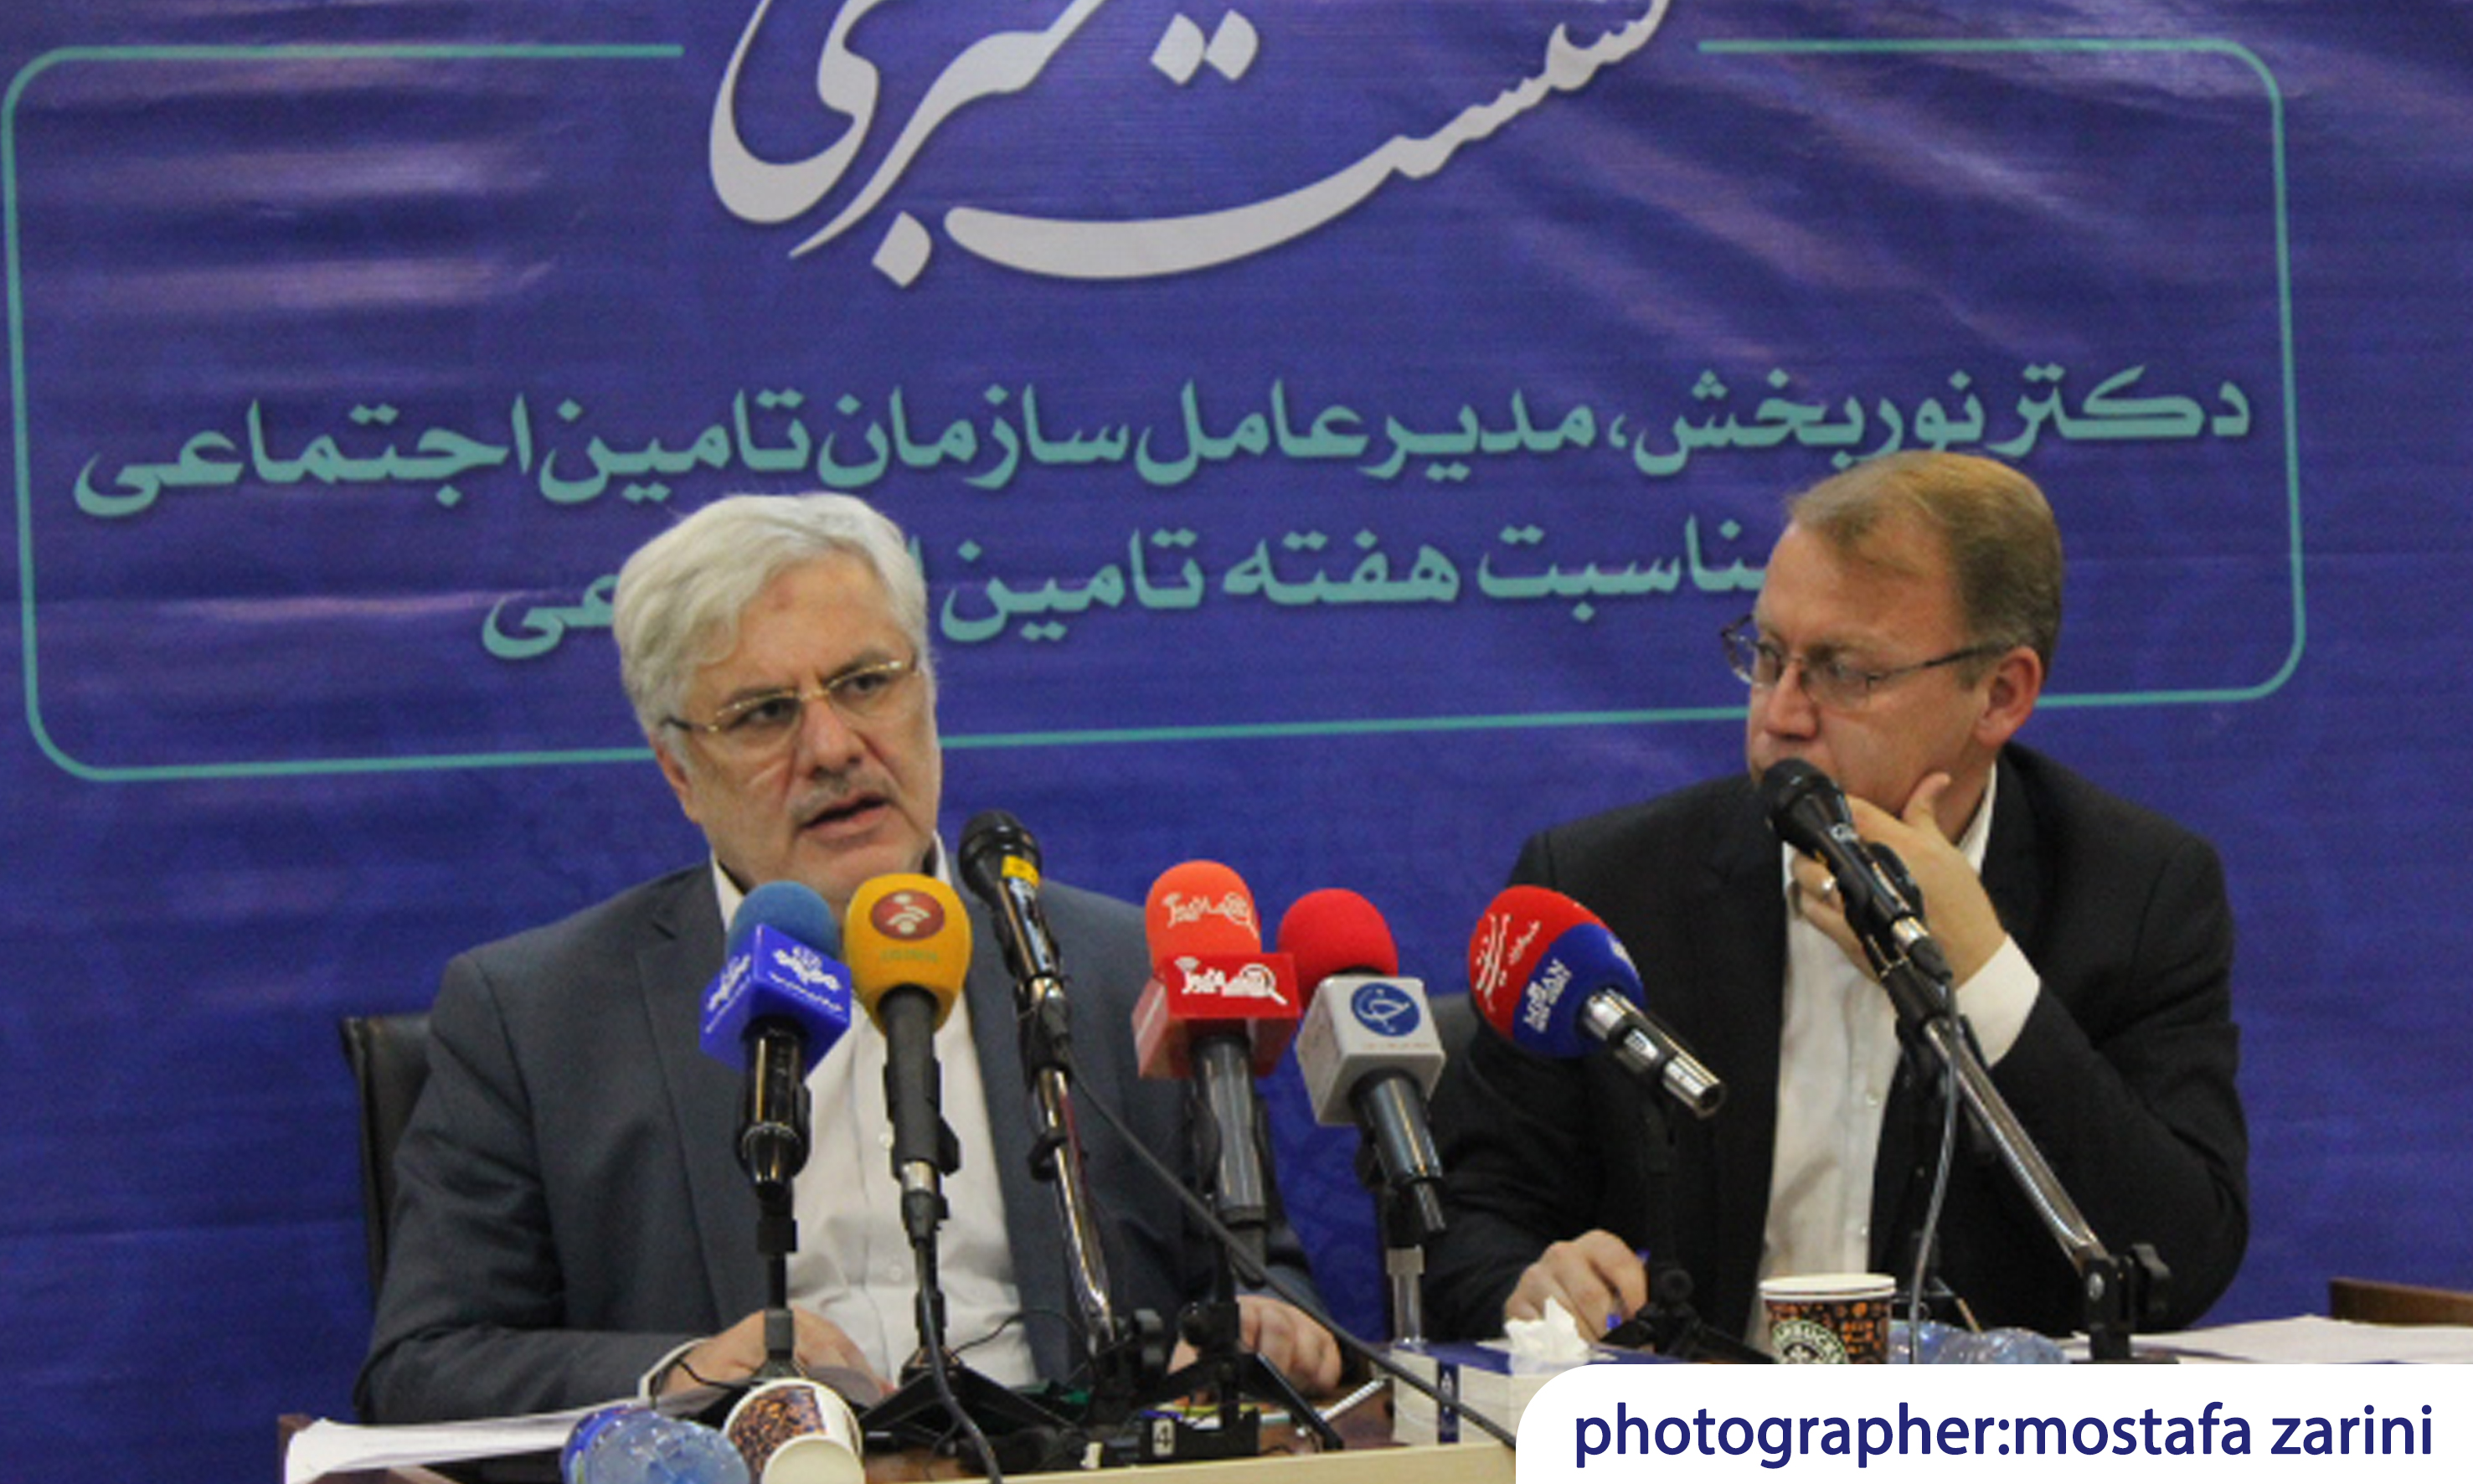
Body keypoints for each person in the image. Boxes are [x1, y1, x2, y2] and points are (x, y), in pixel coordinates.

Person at [358, 492, 1341, 1422]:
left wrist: (1262, 1325)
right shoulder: (537, 1015)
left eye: (866, 682)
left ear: (928, 693)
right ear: (678, 770)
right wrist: (678, 1372)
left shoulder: (1117, 967)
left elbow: (1263, 1278)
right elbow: (424, 1364)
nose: (832, 746)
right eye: (763, 712)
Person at [1425, 451, 2248, 1347]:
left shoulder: (2134, 890)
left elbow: (2178, 1261)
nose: (1780, 715)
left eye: (1844, 672)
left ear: (1999, 694)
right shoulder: (1603, 888)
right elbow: (1464, 1229)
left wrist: (1982, 971)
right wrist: (1530, 1285)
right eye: (1767, 655)